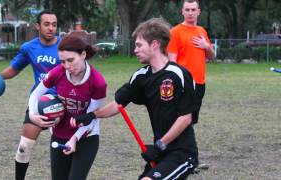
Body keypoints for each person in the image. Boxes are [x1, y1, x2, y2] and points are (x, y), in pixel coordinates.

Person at [71, 18, 199, 180]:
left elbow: (185, 118)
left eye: (139, 45)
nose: (135, 50)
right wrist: (91, 115)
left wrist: (160, 145)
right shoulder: (142, 76)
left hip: (182, 153)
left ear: (154, 45)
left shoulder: (179, 75)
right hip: (160, 152)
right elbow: (118, 104)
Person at [28, 34, 107, 180]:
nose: (67, 66)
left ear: (83, 54)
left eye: (71, 60)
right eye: (63, 61)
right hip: (59, 135)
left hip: (86, 137)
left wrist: (75, 138)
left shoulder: (98, 82)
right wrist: (33, 115)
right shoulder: (58, 72)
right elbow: (35, 94)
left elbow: (91, 117)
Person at [0, 10, 61, 180]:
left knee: (63, 148)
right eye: (46, 24)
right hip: (38, 102)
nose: (51, 28)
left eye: (54, 25)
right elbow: (14, 68)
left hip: (62, 102)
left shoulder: (65, 47)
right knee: (24, 147)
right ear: (37, 26)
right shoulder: (29, 48)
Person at [167, 0, 214, 123]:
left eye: (193, 10)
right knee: (181, 120)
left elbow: (211, 56)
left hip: (199, 83)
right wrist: (177, 83)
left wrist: (206, 46)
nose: (190, 13)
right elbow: (172, 62)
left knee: (192, 120)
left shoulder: (202, 31)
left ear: (198, 12)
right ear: (182, 12)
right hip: (183, 84)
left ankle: (186, 142)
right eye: (187, 10)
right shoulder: (175, 32)